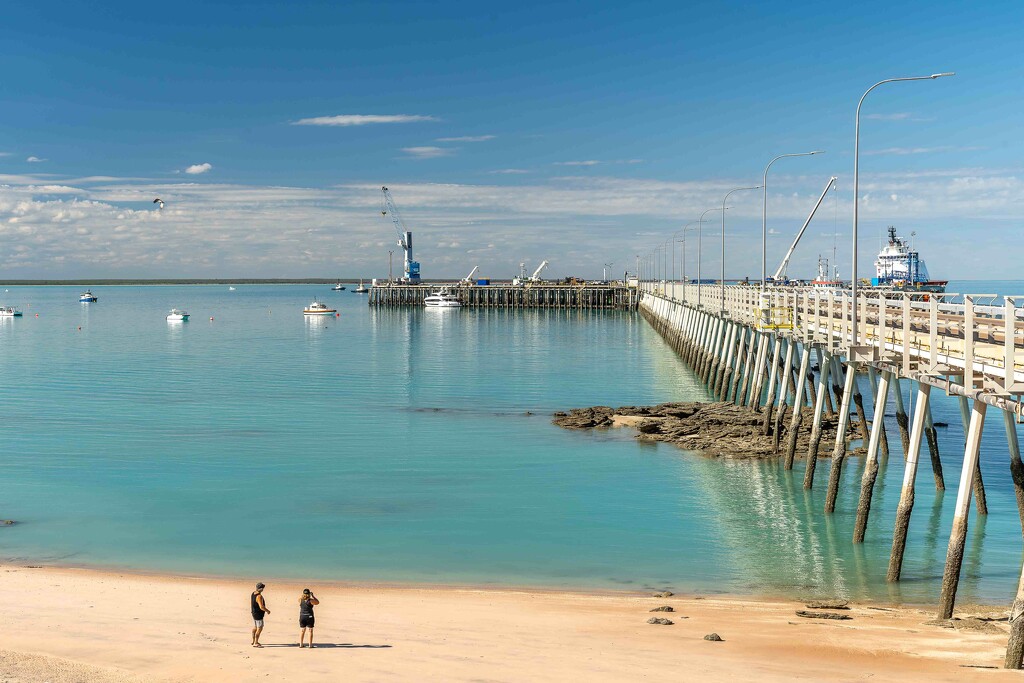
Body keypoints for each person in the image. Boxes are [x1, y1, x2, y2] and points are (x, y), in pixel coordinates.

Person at [251, 582, 270, 647]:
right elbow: (261, 607)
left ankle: (253, 641)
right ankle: (256, 642)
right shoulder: (259, 596)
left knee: (255, 627)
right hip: (258, 615)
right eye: (263, 588)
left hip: (254, 613)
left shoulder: (253, 593)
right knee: (260, 628)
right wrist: (267, 611)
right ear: (261, 589)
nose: (263, 589)